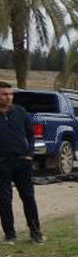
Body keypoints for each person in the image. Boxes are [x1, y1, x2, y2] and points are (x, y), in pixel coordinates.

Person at [0, 81, 42, 244]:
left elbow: (31, 134)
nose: (8, 97)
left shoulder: (20, 112)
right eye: (4, 94)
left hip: (22, 161)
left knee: (28, 197)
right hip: (2, 163)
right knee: (4, 199)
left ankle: (35, 232)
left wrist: (30, 152)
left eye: (10, 94)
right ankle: (10, 234)